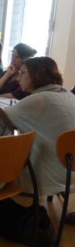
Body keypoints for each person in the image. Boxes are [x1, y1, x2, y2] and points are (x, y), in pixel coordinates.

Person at [5, 57, 75, 197]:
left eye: (22, 73)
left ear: (36, 75)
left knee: (10, 137)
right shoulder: (67, 94)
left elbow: (4, 116)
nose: (18, 78)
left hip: (50, 172)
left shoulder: (40, 99)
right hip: (70, 167)